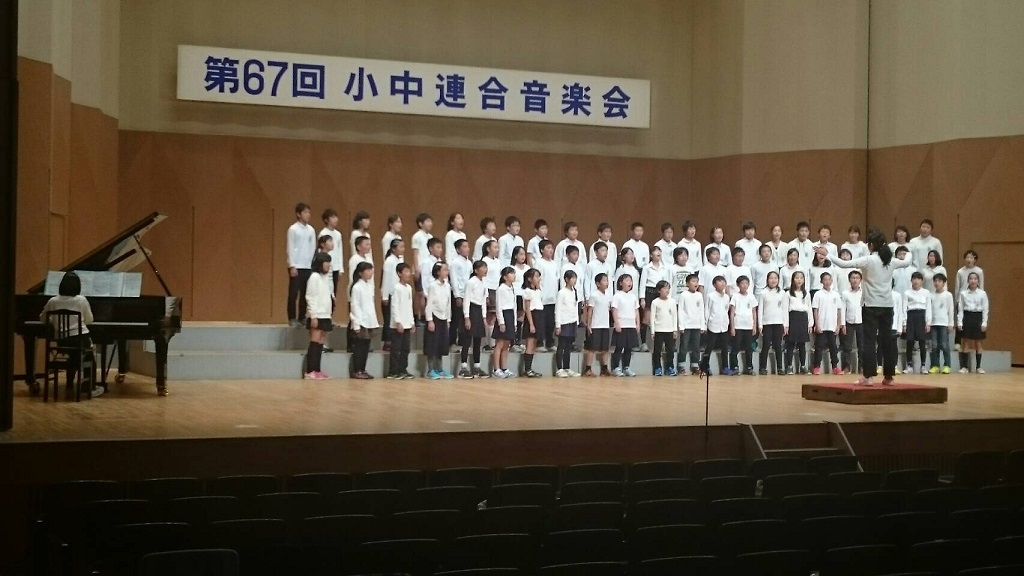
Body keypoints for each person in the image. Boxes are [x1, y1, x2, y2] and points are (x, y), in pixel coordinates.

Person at [822, 230, 914, 386]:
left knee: (869, 341)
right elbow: (907, 262)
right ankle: (889, 377)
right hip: (887, 306)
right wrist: (908, 251)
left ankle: (868, 377)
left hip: (870, 306)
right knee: (888, 341)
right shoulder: (890, 261)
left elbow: (844, 264)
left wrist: (827, 254)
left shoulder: (868, 260)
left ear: (871, 245)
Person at [40, 272, 103, 398]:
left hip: (62, 341)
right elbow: (89, 320)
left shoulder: (53, 301)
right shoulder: (81, 300)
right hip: (80, 339)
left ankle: (69, 385)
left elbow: (43, 318)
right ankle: (89, 386)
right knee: (89, 357)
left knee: (73, 355)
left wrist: (54, 321)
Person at [304, 252, 334, 380]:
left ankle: (317, 369)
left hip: (325, 314)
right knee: (314, 342)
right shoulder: (314, 277)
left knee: (321, 343)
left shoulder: (325, 278)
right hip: (317, 314)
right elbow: (310, 297)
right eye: (326, 262)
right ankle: (310, 370)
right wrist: (313, 315)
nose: (328, 265)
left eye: (329, 262)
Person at [287, 202, 317, 327]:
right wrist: (292, 265)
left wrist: (312, 264)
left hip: (307, 266)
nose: (308, 215)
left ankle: (302, 316)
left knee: (306, 293)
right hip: (296, 265)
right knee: (293, 293)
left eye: (309, 212)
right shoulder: (293, 229)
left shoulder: (311, 230)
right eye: (305, 212)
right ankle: (292, 317)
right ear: (298, 214)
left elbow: (313, 247)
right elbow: (290, 247)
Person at [348, 261, 378, 380]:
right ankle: (357, 370)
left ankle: (363, 369)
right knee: (359, 348)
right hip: (361, 321)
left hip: (369, 321)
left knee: (365, 348)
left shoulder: (368, 286)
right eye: (368, 270)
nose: (371, 273)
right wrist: (356, 323)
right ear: (360, 273)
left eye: (371, 270)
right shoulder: (357, 287)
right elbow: (355, 306)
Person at [460, 260, 490, 379]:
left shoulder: (484, 283)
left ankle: (477, 367)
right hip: (471, 310)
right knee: (467, 340)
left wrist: (484, 317)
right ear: (476, 270)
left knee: (478, 340)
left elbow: (483, 301)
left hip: (478, 311)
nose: (485, 269)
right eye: (483, 267)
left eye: (486, 267)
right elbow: (466, 300)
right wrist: (467, 317)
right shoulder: (471, 282)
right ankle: (463, 368)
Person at [424, 262, 454, 380]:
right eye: (444, 270)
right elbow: (429, 303)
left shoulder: (447, 286)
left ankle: (439, 369)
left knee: (441, 344)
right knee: (432, 344)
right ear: (438, 272)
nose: (447, 272)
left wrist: (448, 319)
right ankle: (431, 370)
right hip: (434, 317)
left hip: (444, 317)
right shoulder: (433, 285)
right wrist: (430, 320)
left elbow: (448, 303)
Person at [640, 246, 671, 354]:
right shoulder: (647, 268)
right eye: (656, 253)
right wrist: (642, 298)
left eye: (659, 253)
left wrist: (667, 295)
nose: (658, 255)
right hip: (650, 291)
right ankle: (643, 343)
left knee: (661, 318)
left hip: (661, 292)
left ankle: (661, 343)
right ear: (651, 255)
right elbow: (642, 283)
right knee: (646, 319)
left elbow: (667, 283)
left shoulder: (664, 267)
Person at [811, 272, 844, 375]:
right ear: (821, 281)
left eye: (829, 279)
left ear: (832, 281)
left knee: (833, 347)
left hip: (832, 326)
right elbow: (815, 310)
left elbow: (839, 311)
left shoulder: (836, 294)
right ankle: (816, 367)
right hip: (821, 325)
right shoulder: (818, 294)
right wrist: (817, 324)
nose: (827, 282)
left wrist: (838, 325)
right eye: (825, 280)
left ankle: (835, 367)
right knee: (819, 347)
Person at [387, 263, 415, 380]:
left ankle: (403, 369)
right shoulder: (396, 288)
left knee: (405, 349)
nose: (409, 274)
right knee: (396, 349)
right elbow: (394, 306)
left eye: (409, 271)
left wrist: (412, 322)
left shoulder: (409, 288)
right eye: (406, 271)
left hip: (407, 323)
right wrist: (398, 322)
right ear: (399, 273)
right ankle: (393, 371)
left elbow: (409, 306)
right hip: (398, 325)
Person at [957, 272, 989, 374]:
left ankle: (978, 367)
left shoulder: (982, 293)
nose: (973, 281)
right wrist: (959, 322)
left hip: (978, 317)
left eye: (975, 279)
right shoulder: (963, 294)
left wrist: (984, 322)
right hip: (967, 316)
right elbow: (960, 309)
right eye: (971, 279)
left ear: (978, 281)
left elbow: (985, 309)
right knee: (965, 342)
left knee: (978, 342)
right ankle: (964, 367)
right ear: (968, 281)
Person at [582, 272, 613, 377]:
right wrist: (589, 324)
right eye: (604, 280)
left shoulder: (608, 295)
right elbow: (590, 310)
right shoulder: (594, 295)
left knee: (605, 349)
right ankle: (587, 369)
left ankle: (604, 369)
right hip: (595, 325)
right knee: (592, 348)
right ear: (598, 283)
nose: (606, 282)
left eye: (607, 280)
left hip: (605, 325)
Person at [903, 272, 933, 375]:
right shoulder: (907, 293)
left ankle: (923, 366)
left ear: (922, 281)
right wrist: (904, 323)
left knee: (922, 342)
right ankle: (909, 365)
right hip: (910, 316)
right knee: (910, 341)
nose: (916, 281)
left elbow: (928, 308)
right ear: (911, 280)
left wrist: (928, 322)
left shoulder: (926, 292)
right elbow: (904, 308)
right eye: (914, 279)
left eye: (918, 279)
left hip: (922, 316)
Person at [758, 271, 788, 375]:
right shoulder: (763, 293)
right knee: (766, 345)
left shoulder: (782, 293)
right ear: (767, 280)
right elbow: (760, 309)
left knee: (778, 346)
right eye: (771, 278)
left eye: (775, 278)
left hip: (779, 323)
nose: (773, 280)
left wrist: (786, 324)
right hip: (767, 323)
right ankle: (763, 367)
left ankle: (779, 368)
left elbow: (785, 309)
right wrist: (760, 325)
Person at [610, 273, 640, 377]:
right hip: (621, 325)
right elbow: (614, 310)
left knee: (629, 348)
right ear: (620, 283)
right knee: (619, 347)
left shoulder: (633, 296)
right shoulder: (617, 295)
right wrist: (616, 323)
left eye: (630, 280)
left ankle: (626, 367)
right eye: (627, 280)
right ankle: (615, 367)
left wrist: (637, 323)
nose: (629, 283)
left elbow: (636, 311)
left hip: (631, 325)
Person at [785, 271, 813, 375]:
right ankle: (789, 366)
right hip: (793, 318)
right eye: (797, 278)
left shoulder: (806, 293)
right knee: (791, 343)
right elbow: (785, 310)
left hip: (803, 318)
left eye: (801, 278)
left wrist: (810, 323)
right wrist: (786, 324)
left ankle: (803, 366)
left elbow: (809, 309)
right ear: (793, 280)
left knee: (802, 344)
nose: (799, 280)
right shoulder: (788, 293)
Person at [729, 276, 758, 375]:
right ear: (738, 285)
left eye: (746, 283)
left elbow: (754, 312)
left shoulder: (751, 297)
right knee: (736, 347)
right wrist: (732, 327)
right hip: (738, 325)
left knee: (749, 348)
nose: (744, 285)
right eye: (742, 283)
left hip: (748, 326)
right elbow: (732, 312)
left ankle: (749, 367)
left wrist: (754, 325)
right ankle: (734, 367)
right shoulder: (735, 296)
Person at [554, 270, 581, 378]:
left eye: (575, 278)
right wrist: (558, 325)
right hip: (564, 322)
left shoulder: (575, 291)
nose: (574, 280)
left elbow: (575, 307)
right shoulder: (562, 292)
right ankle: (559, 369)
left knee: (569, 346)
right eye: (572, 278)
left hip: (572, 321)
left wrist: (576, 322)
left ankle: (567, 367)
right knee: (561, 345)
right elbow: (558, 309)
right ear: (566, 279)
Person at [492, 267, 518, 379]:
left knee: (507, 344)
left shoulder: (512, 288)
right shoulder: (501, 289)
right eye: (511, 273)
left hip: (511, 315)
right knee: (500, 343)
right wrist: (501, 322)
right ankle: (496, 368)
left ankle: (504, 368)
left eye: (514, 273)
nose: (513, 275)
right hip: (503, 315)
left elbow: (514, 306)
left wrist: (515, 322)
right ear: (505, 277)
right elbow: (499, 306)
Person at [703, 276, 732, 375]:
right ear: (714, 285)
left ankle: (725, 367)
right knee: (709, 346)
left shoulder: (727, 297)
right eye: (719, 281)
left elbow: (726, 310)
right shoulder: (710, 296)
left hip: (723, 325)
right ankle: (705, 366)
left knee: (725, 347)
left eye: (724, 281)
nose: (722, 283)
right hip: (713, 324)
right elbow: (707, 310)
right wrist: (705, 324)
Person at [677, 273, 704, 375]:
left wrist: (702, 325)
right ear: (687, 284)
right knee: (684, 346)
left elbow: (701, 310)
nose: (695, 283)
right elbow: (681, 310)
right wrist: (681, 325)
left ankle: (695, 366)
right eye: (693, 281)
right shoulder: (684, 295)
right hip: (686, 325)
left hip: (696, 325)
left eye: (697, 281)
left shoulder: (699, 295)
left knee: (696, 347)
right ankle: (681, 366)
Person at [381, 238, 405, 353]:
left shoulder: (399, 260)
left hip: (398, 293)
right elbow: (386, 279)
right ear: (393, 249)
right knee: (389, 318)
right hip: (390, 293)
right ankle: (387, 342)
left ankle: (394, 340)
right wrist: (385, 296)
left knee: (396, 317)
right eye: (401, 247)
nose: (403, 249)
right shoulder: (389, 261)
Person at [535, 240, 559, 352]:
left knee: (550, 322)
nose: (551, 250)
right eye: (548, 248)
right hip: (542, 297)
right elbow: (537, 279)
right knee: (541, 322)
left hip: (552, 297)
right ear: (541, 250)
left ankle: (550, 342)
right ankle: (540, 343)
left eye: (551, 248)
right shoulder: (539, 263)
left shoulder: (554, 263)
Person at [650, 280, 678, 377]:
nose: (667, 290)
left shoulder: (672, 301)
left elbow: (674, 316)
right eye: (665, 288)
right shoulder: (655, 302)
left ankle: (670, 367)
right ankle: (657, 367)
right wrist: (652, 331)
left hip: (669, 330)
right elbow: (652, 318)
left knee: (670, 350)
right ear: (659, 290)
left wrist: (674, 329)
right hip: (658, 330)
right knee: (657, 350)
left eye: (668, 288)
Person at [449, 239, 472, 350]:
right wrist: (457, 295)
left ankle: (463, 343)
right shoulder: (455, 263)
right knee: (456, 319)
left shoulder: (469, 263)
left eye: (468, 246)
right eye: (464, 247)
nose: (467, 249)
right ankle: (452, 342)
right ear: (458, 250)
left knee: (465, 319)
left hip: (467, 294)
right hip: (458, 294)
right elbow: (454, 279)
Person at [521, 268, 545, 378]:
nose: (539, 278)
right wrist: (531, 324)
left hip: (539, 315)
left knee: (534, 343)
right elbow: (527, 309)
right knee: (530, 343)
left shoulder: (538, 290)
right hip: (532, 316)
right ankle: (527, 369)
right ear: (530, 279)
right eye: (536, 276)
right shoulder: (527, 291)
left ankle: (530, 368)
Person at [410, 213, 434, 322]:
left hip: (428, 269)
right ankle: (416, 315)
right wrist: (416, 268)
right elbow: (415, 253)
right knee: (419, 293)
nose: (430, 223)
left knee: (427, 293)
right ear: (420, 224)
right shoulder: (417, 236)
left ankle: (425, 316)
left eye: (431, 221)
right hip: (419, 267)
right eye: (428, 221)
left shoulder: (430, 237)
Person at [929, 273, 954, 374]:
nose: (937, 283)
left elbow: (951, 310)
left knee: (944, 345)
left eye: (939, 281)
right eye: (935, 281)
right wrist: (928, 322)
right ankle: (935, 365)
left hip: (944, 323)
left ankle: (947, 365)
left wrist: (951, 323)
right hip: (933, 323)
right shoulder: (931, 295)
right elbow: (929, 310)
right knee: (934, 346)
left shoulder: (948, 295)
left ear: (944, 283)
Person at [841, 270, 864, 375]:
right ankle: (846, 367)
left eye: (857, 278)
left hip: (862, 321)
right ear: (849, 280)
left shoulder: (864, 292)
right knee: (847, 346)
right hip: (849, 322)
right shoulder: (845, 293)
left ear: (860, 280)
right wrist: (843, 324)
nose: (855, 280)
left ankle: (862, 367)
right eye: (853, 278)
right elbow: (843, 309)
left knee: (862, 346)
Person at [481, 239, 502, 351]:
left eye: (498, 247)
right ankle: (488, 342)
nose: (497, 249)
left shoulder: (497, 261)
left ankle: (492, 341)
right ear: (488, 249)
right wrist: (486, 294)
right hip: (488, 289)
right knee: (490, 316)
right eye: (495, 247)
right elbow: (484, 277)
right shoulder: (485, 260)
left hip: (496, 289)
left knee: (495, 316)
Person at [319, 209, 343, 297]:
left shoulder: (338, 234)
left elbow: (340, 251)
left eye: (336, 217)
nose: (335, 219)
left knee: (333, 292)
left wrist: (340, 269)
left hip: (335, 267)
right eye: (332, 217)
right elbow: (320, 250)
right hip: (326, 266)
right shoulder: (323, 233)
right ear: (326, 220)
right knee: (325, 291)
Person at [511, 246, 530, 352]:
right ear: (515, 256)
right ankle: (513, 341)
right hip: (515, 295)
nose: (523, 257)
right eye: (520, 254)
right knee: (516, 317)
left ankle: (519, 340)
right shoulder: (512, 268)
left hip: (525, 295)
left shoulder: (527, 268)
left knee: (522, 318)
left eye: (524, 254)